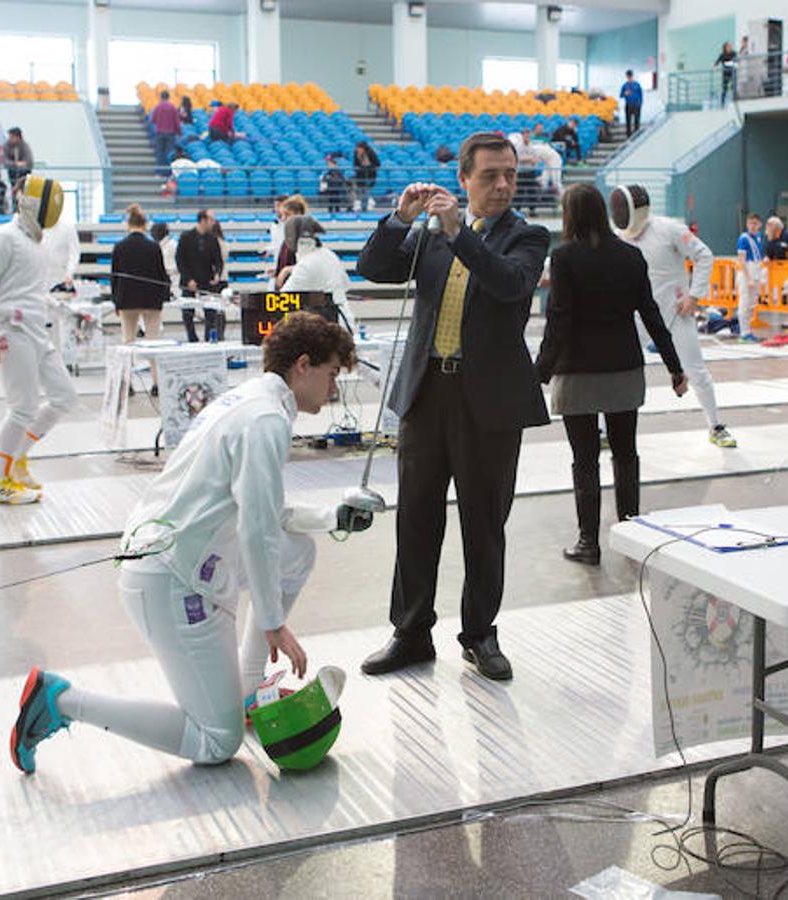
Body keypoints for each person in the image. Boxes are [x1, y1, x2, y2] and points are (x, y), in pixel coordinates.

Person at [8, 313, 374, 774]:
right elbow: (257, 529)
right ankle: (62, 701)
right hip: (173, 580)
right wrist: (274, 622)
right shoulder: (265, 421)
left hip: (175, 557)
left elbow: (265, 513)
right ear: (303, 365)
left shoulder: (249, 401)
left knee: (297, 552)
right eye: (332, 374)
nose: (334, 388)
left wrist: (331, 517)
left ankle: (245, 689)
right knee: (217, 740)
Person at [354, 132, 550, 682]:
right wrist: (400, 218)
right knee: (416, 519)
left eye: (511, 174)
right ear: (464, 179)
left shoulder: (528, 237)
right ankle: (410, 632)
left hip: (488, 402)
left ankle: (480, 634)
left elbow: (509, 284)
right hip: (426, 394)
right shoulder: (433, 239)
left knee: (484, 525)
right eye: (490, 175)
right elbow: (374, 268)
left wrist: (459, 231)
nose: (504, 184)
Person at [536, 184, 688, 565]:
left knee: (584, 460)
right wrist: (675, 367)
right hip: (623, 368)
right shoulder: (631, 256)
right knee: (626, 454)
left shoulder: (564, 258)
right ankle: (631, 532)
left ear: (570, 214)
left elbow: (559, 320)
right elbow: (651, 315)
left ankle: (589, 543)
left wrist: (539, 372)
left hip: (578, 372)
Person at [0, 173, 79, 504]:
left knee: (63, 397)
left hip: (37, 330)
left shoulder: (36, 242)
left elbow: (29, 290)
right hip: (10, 332)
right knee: (23, 408)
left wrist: (55, 303)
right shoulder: (4, 238)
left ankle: (16, 459)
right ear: (31, 204)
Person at [613, 184, 738, 448]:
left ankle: (715, 426)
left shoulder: (669, 229)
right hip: (636, 315)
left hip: (674, 312)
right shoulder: (618, 236)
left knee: (695, 370)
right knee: (617, 370)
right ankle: (605, 432)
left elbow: (704, 255)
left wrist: (694, 296)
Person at [278, 215, 355, 332]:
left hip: (327, 327)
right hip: (344, 322)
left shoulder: (306, 264)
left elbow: (282, 299)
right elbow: (346, 285)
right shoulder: (328, 254)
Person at [111, 204, 169, 343]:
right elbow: (161, 274)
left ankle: (129, 365)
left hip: (127, 299)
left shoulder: (119, 247)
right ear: (145, 225)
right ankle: (153, 365)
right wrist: (163, 298)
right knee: (153, 341)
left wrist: (116, 302)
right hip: (151, 300)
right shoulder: (154, 246)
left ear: (128, 224)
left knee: (128, 340)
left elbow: (115, 277)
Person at [176, 209, 225, 342]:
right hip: (189, 280)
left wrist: (217, 274)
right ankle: (192, 337)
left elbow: (218, 261)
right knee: (187, 312)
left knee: (210, 311)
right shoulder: (186, 237)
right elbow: (180, 260)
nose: (213, 222)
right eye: (211, 219)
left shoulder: (212, 239)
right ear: (203, 220)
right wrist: (188, 279)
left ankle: (209, 337)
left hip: (207, 280)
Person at [735, 212, 765, 339]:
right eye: (750, 223)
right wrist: (748, 278)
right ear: (747, 224)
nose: (753, 226)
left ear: (759, 225)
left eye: (755, 223)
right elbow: (742, 259)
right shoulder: (743, 238)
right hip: (747, 270)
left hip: (756, 270)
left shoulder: (759, 236)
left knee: (752, 304)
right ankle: (744, 333)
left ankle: (747, 330)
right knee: (744, 303)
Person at [39, 211, 79, 292]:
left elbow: (74, 254)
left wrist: (69, 273)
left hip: (61, 280)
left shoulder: (68, 228)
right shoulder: (38, 228)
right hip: (41, 281)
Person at [149, 90, 182, 179]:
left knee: (159, 153)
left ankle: (159, 173)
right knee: (169, 153)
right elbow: (177, 122)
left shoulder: (157, 107)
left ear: (161, 97)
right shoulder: (173, 107)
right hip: (170, 133)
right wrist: (179, 133)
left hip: (160, 133)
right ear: (168, 97)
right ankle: (168, 173)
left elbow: (153, 120)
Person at [3, 128, 34, 197]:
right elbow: (4, 161)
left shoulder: (25, 146)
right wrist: (15, 164)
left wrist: (21, 165)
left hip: (24, 173)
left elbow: (29, 161)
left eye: (12, 137)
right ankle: (15, 201)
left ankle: (18, 188)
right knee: (15, 193)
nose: (10, 139)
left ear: (18, 137)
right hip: (13, 172)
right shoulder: (6, 145)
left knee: (24, 190)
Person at [353, 141, 380, 209]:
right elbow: (355, 164)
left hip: (369, 175)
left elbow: (377, 164)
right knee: (361, 191)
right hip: (360, 175)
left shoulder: (371, 153)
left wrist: (368, 167)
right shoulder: (356, 153)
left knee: (366, 191)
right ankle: (362, 206)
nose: (358, 149)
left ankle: (364, 207)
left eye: (359, 148)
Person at [620, 70, 644, 136]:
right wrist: (625, 93)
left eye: (630, 76)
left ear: (632, 76)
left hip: (636, 105)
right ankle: (628, 135)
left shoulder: (637, 84)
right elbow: (621, 95)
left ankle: (637, 133)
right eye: (628, 76)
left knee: (637, 120)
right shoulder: (625, 85)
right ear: (626, 76)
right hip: (628, 105)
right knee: (628, 120)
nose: (629, 77)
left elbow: (641, 94)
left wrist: (640, 104)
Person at [715, 41, 737, 105]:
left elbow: (737, 61)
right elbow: (716, 63)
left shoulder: (734, 53)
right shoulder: (722, 55)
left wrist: (732, 64)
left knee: (733, 87)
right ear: (725, 47)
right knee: (724, 89)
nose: (730, 47)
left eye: (730, 46)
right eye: (728, 46)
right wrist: (716, 67)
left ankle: (734, 101)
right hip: (725, 73)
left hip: (732, 72)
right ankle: (722, 103)